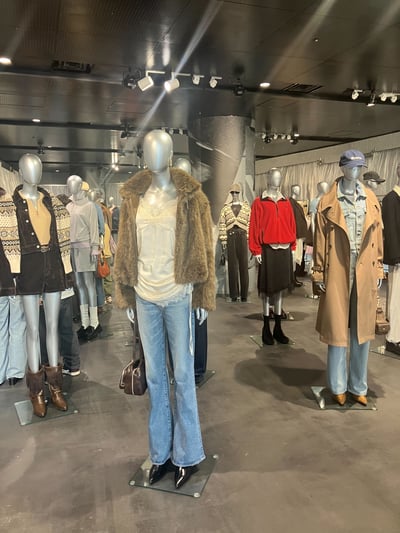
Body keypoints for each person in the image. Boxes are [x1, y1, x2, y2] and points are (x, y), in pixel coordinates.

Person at [114, 130, 215, 489]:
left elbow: (205, 247)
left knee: (183, 376)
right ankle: (160, 453)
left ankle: (187, 454)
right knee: (156, 378)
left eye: (159, 148)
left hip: (177, 294)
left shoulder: (190, 196)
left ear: (170, 154)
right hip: (144, 295)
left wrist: (202, 296)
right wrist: (127, 295)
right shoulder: (133, 197)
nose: (153, 154)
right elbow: (125, 248)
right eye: (147, 148)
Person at [312, 150, 384, 406]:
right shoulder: (328, 201)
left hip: (365, 268)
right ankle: (338, 386)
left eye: (359, 167)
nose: (355, 172)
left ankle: (358, 386)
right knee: (337, 329)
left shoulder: (371, 198)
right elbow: (320, 239)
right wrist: (318, 271)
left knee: (362, 330)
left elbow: (377, 235)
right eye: (351, 167)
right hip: (337, 267)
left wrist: (378, 268)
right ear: (342, 168)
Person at [12, 153, 72, 417]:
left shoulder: (52, 202)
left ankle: (56, 387)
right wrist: (13, 274)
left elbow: (61, 238)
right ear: (20, 171)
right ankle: (36, 391)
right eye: (29, 168)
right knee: (33, 329)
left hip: (53, 266)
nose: (34, 172)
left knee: (53, 326)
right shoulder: (11, 205)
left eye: (38, 167)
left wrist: (66, 268)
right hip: (29, 268)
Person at [249, 168, 296, 345]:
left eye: (279, 178)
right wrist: (256, 250)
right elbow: (254, 226)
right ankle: (266, 327)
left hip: (284, 249)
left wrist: (293, 247)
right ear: (268, 179)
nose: (277, 180)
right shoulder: (259, 202)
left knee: (280, 290)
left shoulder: (286, 202)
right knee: (267, 289)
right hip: (268, 249)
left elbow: (291, 225)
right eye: (274, 177)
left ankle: (278, 327)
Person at [67, 176, 101, 341]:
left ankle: (95, 322)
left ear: (80, 185)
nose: (70, 186)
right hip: (72, 250)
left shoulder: (89, 206)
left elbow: (94, 228)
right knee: (79, 285)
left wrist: (95, 248)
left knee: (89, 285)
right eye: (68, 184)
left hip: (86, 249)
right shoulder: (69, 206)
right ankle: (85, 322)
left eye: (73, 184)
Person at [0, 187, 27, 387]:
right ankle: (15, 372)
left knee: (0, 326)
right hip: (15, 275)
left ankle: (1, 372)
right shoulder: (14, 208)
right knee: (17, 323)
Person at [218, 183, 251, 302]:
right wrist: (223, 239)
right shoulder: (226, 208)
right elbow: (222, 224)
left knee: (243, 266)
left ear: (240, 193)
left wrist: (248, 237)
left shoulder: (246, 207)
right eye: (232, 192)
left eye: (236, 192)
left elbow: (250, 223)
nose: (234, 194)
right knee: (232, 266)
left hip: (242, 236)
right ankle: (234, 294)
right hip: (230, 236)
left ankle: (244, 294)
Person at [381, 162, 400, 355]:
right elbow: (391, 230)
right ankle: (392, 339)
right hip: (398, 258)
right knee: (396, 298)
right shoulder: (390, 199)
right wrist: (395, 256)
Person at [288, 184, 308, 288]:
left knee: (296, 258)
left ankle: (293, 278)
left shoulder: (295, 203)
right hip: (294, 235)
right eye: (297, 189)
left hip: (298, 235)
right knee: (293, 258)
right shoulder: (290, 203)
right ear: (293, 190)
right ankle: (291, 279)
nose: (298, 191)